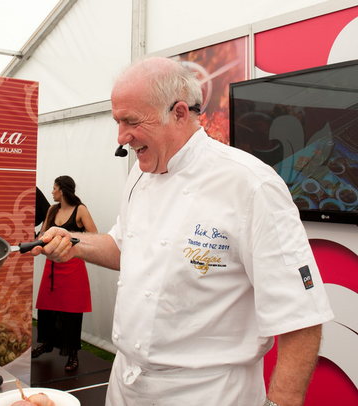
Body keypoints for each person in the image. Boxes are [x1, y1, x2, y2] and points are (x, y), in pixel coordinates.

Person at [31, 57, 334, 406]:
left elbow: (301, 317)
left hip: (207, 393)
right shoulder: (141, 174)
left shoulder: (251, 185)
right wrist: (71, 241)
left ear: (178, 113)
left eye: (131, 121)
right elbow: (123, 245)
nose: (122, 137)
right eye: (117, 122)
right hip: (125, 386)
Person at [33, 175, 98, 371]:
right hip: (52, 267)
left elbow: (94, 236)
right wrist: (33, 243)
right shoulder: (52, 210)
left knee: (71, 311)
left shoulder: (80, 210)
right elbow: (43, 234)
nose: (51, 192)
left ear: (62, 190)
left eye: (54, 189)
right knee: (47, 307)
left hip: (73, 268)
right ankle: (46, 343)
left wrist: (70, 241)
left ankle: (72, 353)